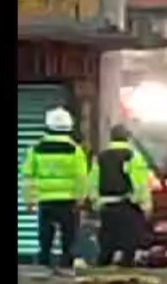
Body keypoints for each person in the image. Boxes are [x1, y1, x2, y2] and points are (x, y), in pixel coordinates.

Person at [22, 107, 88, 270]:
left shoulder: (36, 149)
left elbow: (28, 176)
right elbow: (81, 177)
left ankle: (43, 266)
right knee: (68, 238)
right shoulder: (75, 150)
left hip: (45, 200)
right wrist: (81, 198)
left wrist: (30, 200)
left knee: (45, 237)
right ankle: (66, 266)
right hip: (68, 200)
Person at [88, 125, 152, 268]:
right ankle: (125, 276)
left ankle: (101, 273)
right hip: (127, 205)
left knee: (106, 245)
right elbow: (140, 183)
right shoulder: (133, 156)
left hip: (106, 206)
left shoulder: (101, 157)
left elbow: (92, 181)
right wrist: (145, 205)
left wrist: (96, 203)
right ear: (127, 137)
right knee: (129, 246)